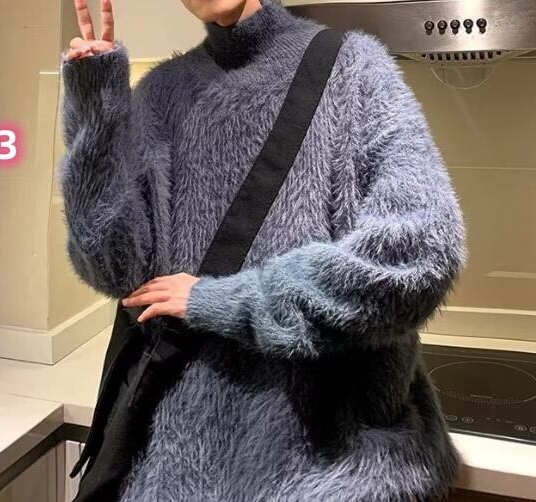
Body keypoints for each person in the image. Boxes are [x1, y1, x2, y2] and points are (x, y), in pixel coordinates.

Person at [58, 0, 468, 500]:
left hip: (320, 463)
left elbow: (418, 255)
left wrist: (222, 301)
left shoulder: (353, 69)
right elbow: (114, 269)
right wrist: (96, 110)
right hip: (174, 460)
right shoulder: (161, 94)